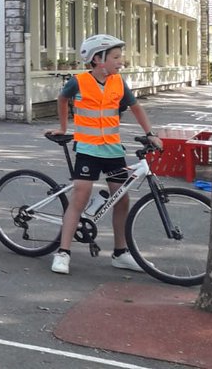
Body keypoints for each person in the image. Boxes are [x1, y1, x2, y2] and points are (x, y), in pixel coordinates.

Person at [46, 34, 161, 276]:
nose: (121, 62)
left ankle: (120, 253)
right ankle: (63, 252)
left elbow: (136, 108)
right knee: (81, 196)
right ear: (98, 59)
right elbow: (63, 98)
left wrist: (150, 132)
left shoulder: (119, 82)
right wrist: (64, 128)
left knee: (122, 198)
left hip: (111, 149)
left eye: (121, 57)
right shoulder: (78, 82)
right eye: (116, 57)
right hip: (87, 148)